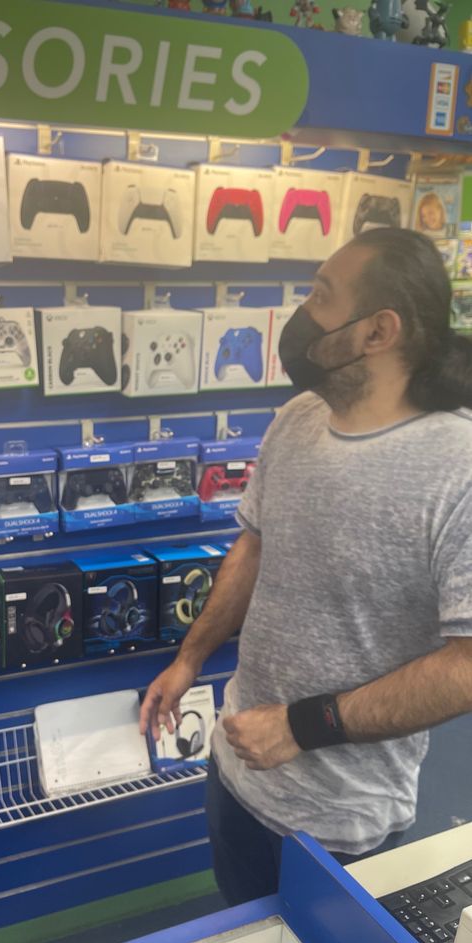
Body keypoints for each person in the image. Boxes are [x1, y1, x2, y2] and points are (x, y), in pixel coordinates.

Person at [140, 228, 472, 907]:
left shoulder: (458, 469)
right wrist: (189, 659)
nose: (301, 312)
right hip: (237, 769)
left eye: (321, 295)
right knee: (240, 932)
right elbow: (254, 546)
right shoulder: (297, 419)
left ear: (378, 330)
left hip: (342, 820)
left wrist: (300, 727)